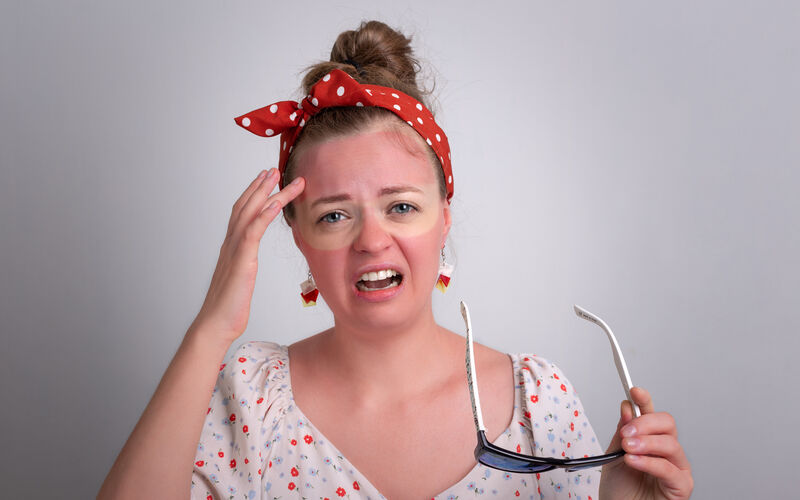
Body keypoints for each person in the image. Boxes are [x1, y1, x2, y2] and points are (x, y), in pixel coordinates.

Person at [98, 20, 694, 500]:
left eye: (401, 207)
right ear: (298, 239)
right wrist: (212, 328)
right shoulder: (251, 397)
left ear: (445, 218)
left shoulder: (538, 401)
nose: (371, 240)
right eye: (334, 215)